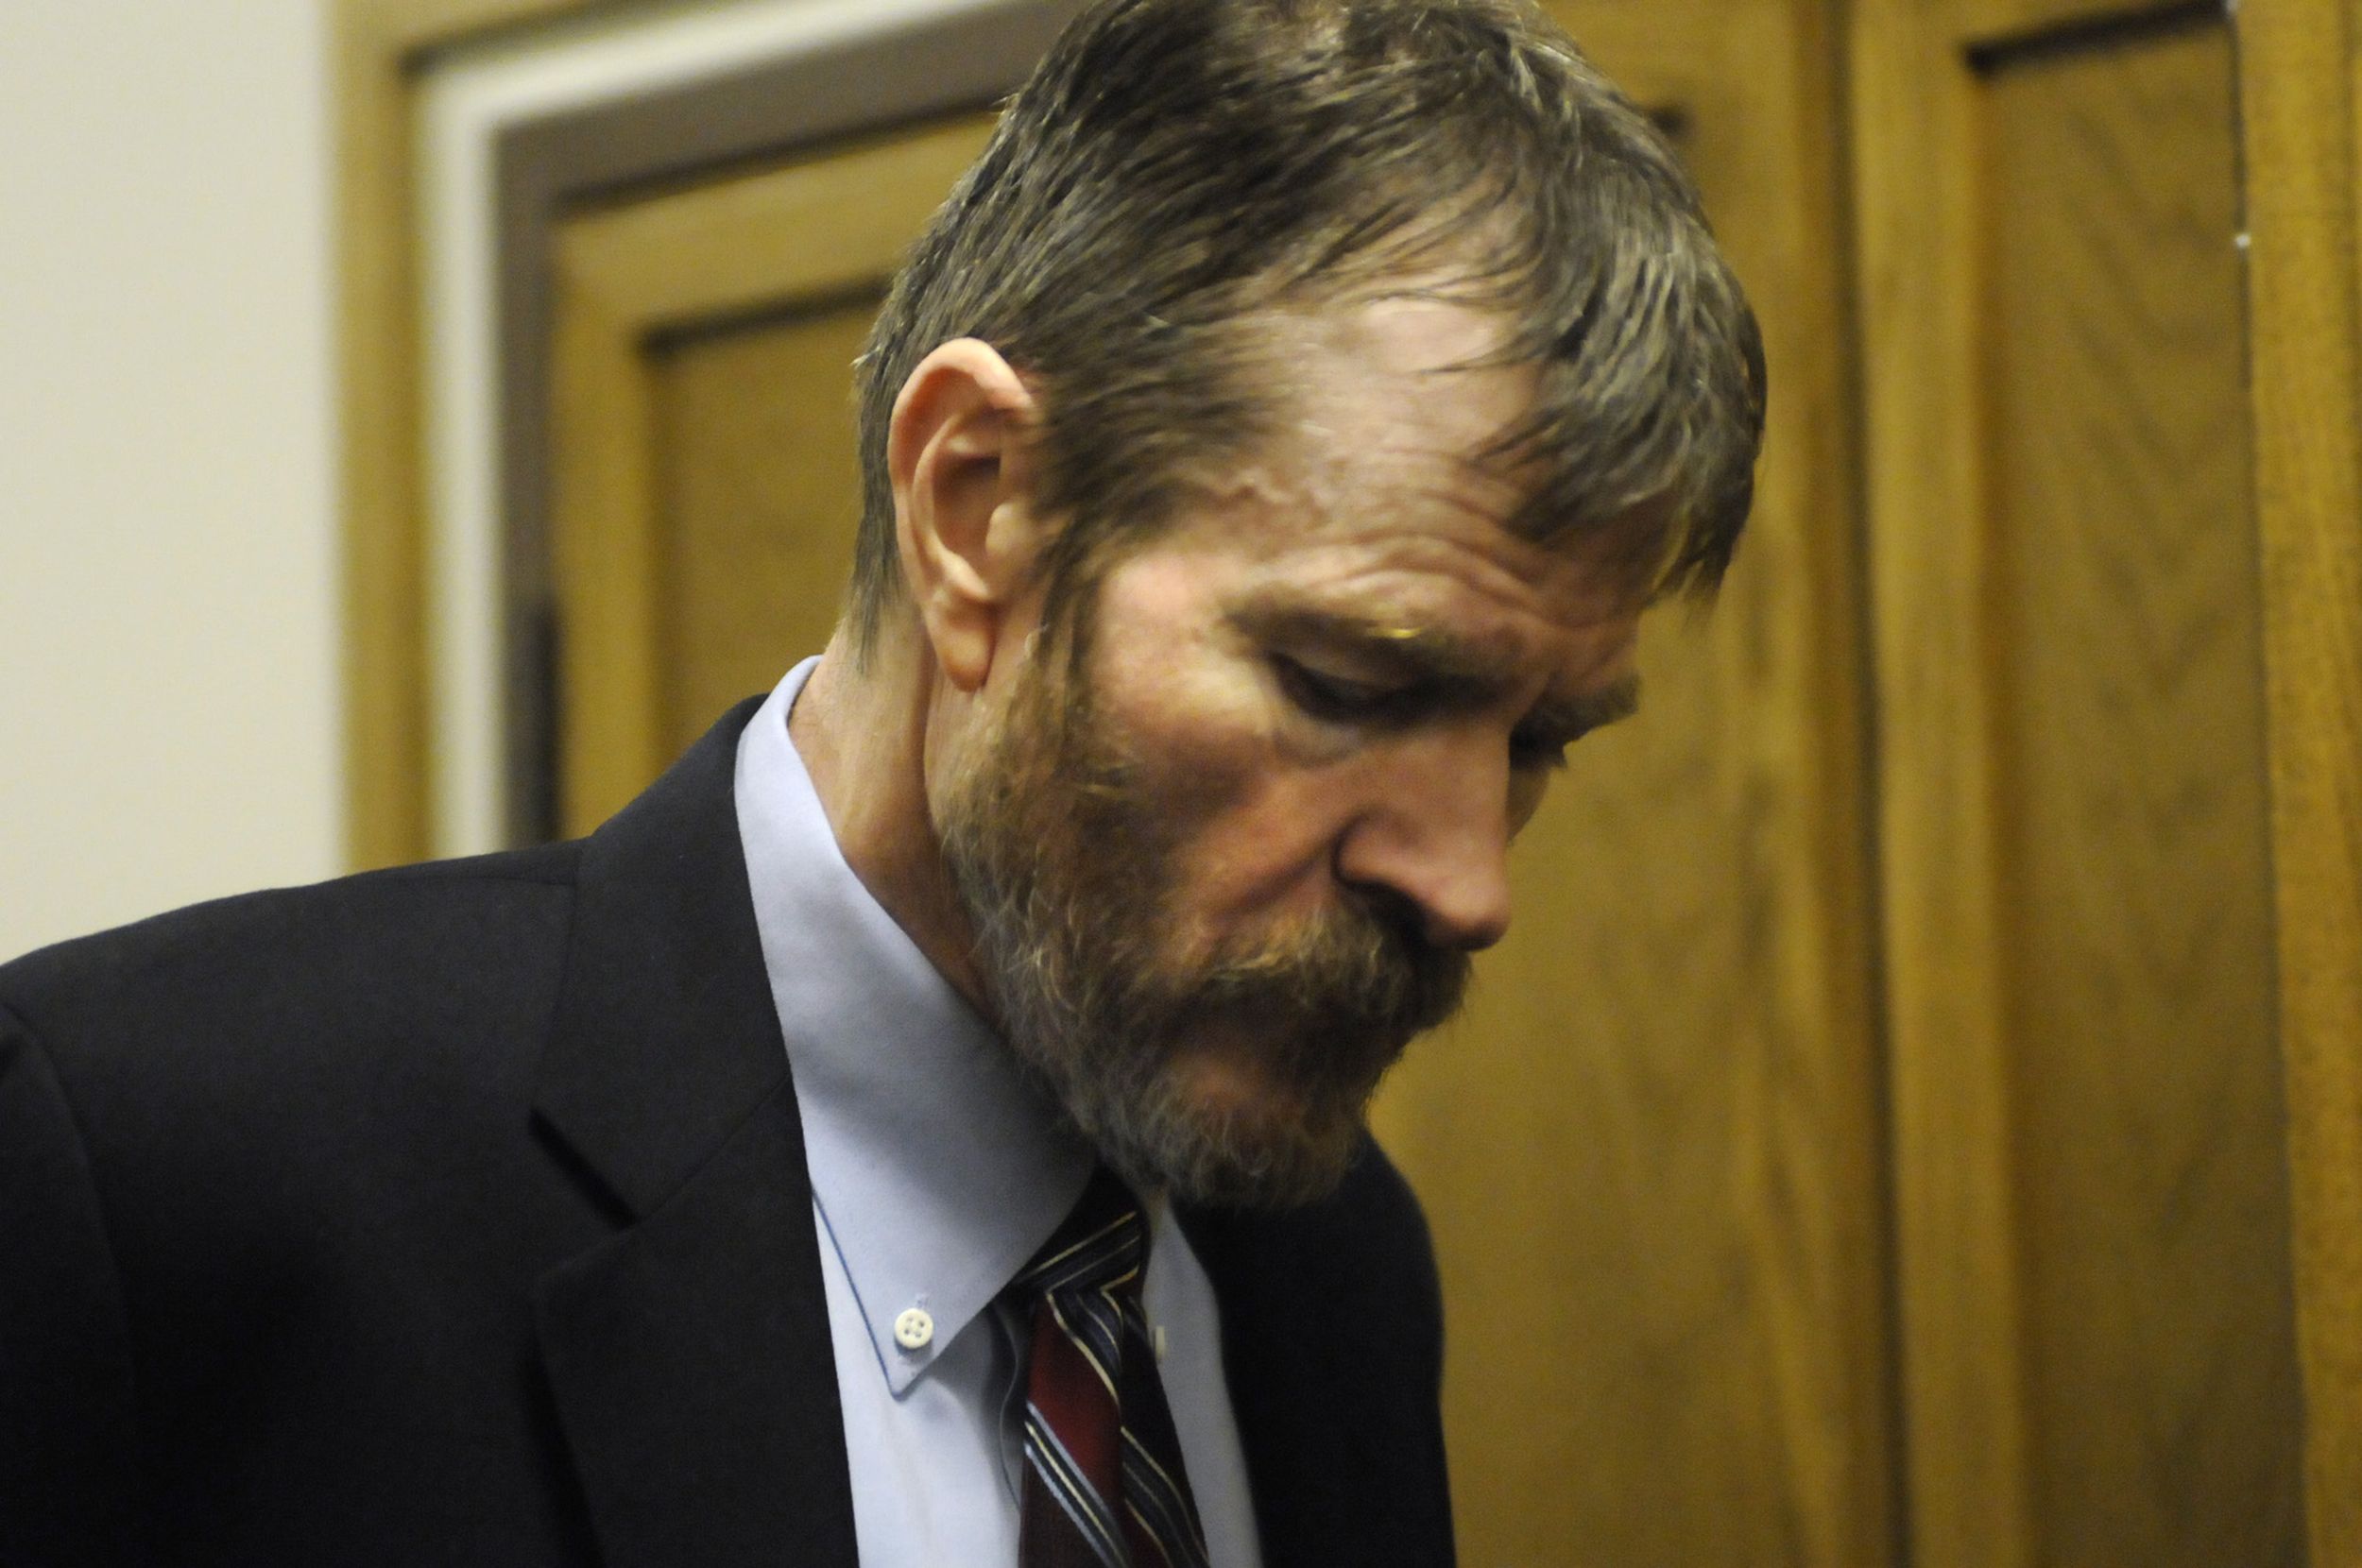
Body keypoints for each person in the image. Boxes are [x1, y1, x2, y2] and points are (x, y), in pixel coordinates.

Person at [0, 0, 1762, 1563]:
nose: (1472, 885)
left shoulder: (1335, 1270)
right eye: (1349, 686)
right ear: (977, 508)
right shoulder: (153, 1171)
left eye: (1537, 742)